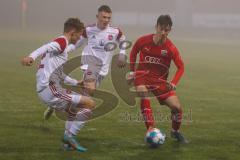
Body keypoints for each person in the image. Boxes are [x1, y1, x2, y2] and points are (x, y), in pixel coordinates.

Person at [21, 18, 95, 152]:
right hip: (50, 89)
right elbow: (45, 46)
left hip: (47, 89)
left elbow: (58, 73)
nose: (78, 38)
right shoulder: (62, 42)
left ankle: (66, 144)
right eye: (78, 35)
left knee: (74, 110)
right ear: (72, 32)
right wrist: (31, 56)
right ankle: (69, 138)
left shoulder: (62, 47)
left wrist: (75, 82)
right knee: (89, 104)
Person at [44, 5, 127, 121]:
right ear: (97, 16)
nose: (106, 20)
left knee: (85, 94)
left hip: (103, 69)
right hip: (90, 65)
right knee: (88, 93)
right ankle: (70, 125)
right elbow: (77, 44)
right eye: (104, 17)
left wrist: (123, 53)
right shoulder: (88, 30)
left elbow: (122, 39)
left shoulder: (115, 31)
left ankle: (55, 104)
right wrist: (65, 49)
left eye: (109, 18)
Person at [128, 15, 188, 144]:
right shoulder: (143, 41)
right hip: (142, 76)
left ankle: (175, 132)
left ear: (169, 30)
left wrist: (173, 83)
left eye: (166, 30)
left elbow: (181, 67)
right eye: (161, 29)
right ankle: (150, 128)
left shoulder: (170, 48)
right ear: (156, 27)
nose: (163, 33)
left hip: (159, 81)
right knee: (144, 94)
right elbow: (134, 51)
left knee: (177, 108)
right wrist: (132, 71)